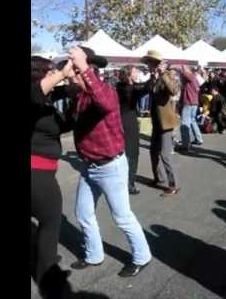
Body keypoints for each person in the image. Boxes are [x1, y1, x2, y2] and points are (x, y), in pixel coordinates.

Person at [66, 46, 152, 277]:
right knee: (83, 213)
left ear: (85, 70)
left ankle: (142, 256)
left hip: (110, 167)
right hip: (88, 166)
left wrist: (83, 66)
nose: (68, 76)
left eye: (71, 71)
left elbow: (103, 101)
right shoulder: (78, 97)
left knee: (122, 217)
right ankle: (94, 255)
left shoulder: (106, 91)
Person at [30, 55, 76, 298]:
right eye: (49, 73)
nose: (53, 77)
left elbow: (61, 123)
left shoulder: (43, 102)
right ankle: (48, 279)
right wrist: (62, 73)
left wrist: (76, 86)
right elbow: (36, 92)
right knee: (50, 225)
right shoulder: (34, 96)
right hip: (37, 176)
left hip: (42, 173)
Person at [142, 50, 181, 196]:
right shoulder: (155, 77)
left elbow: (173, 90)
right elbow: (148, 91)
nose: (148, 66)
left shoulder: (168, 74)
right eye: (147, 63)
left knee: (165, 155)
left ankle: (174, 185)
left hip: (166, 122)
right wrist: (153, 77)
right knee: (153, 152)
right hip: (157, 122)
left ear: (156, 63)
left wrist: (163, 74)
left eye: (149, 63)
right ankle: (159, 178)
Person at [116, 65, 148, 195]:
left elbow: (143, 87)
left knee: (121, 152)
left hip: (120, 120)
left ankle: (121, 180)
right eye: (135, 71)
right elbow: (145, 88)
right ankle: (130, 184)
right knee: (133, 153)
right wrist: (154, 74)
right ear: (129, 74)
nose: (137, 73)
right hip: (129, 121)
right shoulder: (130, 89)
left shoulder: (119, 86)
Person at [177, 65, 203, 151]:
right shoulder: (194, 78)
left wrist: (180, 69)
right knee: (192, 121)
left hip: (189, 103)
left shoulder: (190, 76)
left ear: (188, 70)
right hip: (194, 103)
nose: (182, 70)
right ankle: (199, 139)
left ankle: (185, 144)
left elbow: (185, 74)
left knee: (184, 123)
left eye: (184, 68)